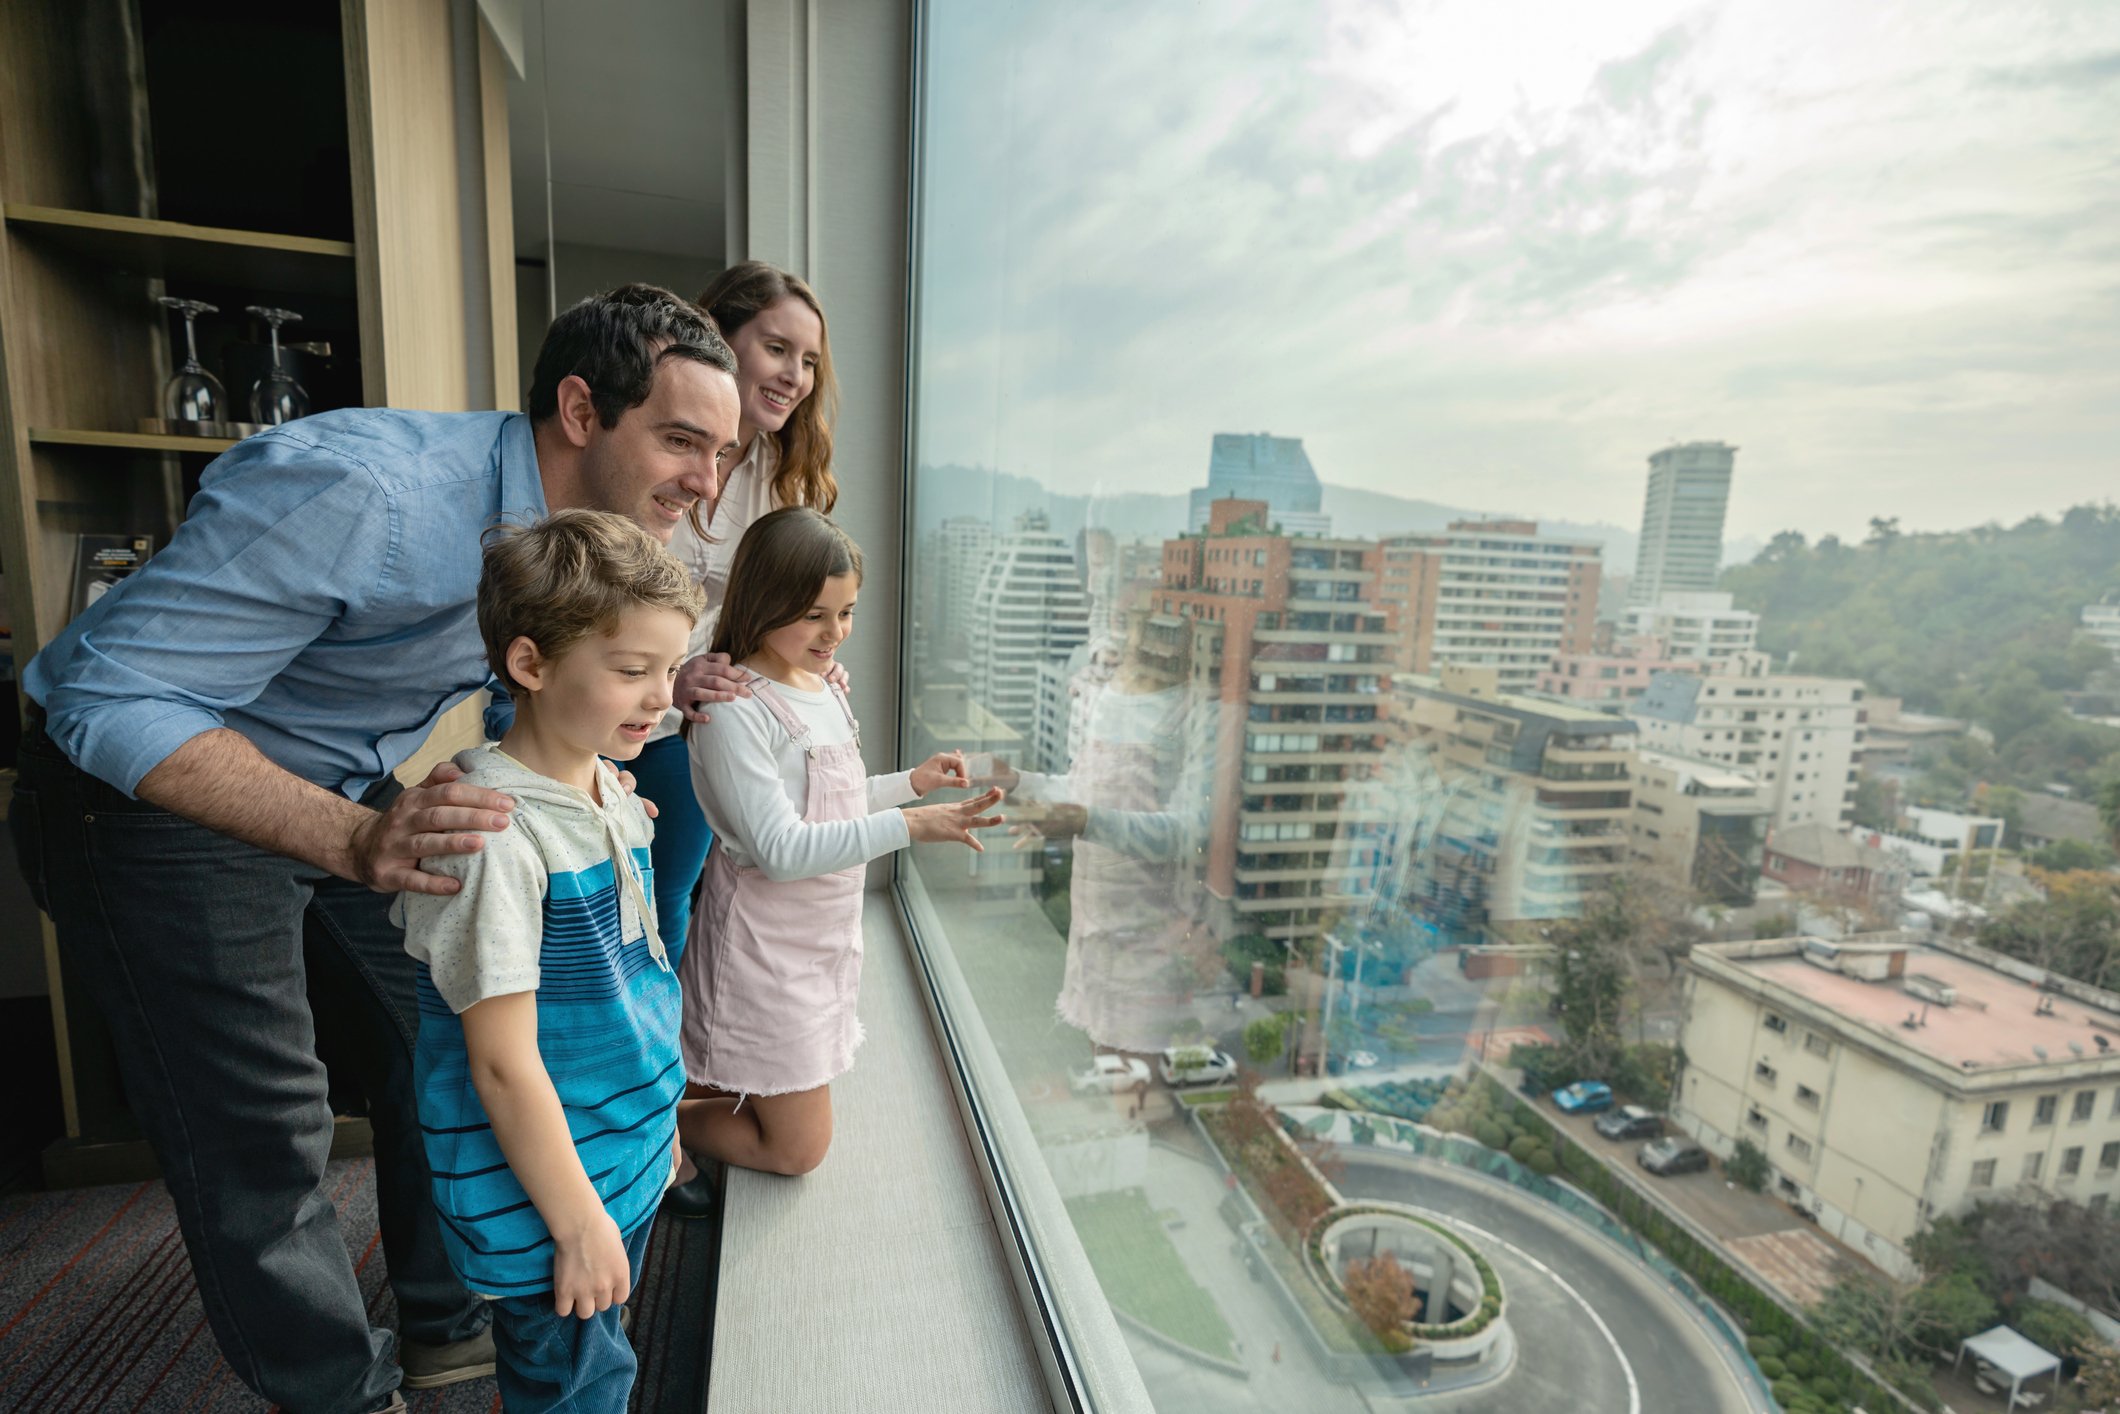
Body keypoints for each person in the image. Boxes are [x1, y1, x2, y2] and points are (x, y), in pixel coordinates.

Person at [7, 285, 740, 1414]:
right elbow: (104, 696)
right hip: (150, 794)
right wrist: (355, 836)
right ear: (582, 410)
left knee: (446, 1026)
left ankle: (452, 1321)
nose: (706, 482)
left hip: (337, 778)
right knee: (267, 1130)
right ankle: (339, 1394)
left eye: (723, 453)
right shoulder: (369, 491)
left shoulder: (562, 555)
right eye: (682, 439)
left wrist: (653, 694)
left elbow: (544, 688)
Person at [399, 510, 700, 1413]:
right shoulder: (493, 839)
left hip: (621, 1149)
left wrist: (659, 1126)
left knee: (597, 1356)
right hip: (544, 1196)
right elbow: (499, 1058)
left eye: (672, 669)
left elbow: (627, 985)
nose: (661, 698)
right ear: (529, 666)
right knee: (576, 1384)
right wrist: (574, 1221)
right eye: (631, 671)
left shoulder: (609, 783)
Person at [676, 508, 1003, 1174]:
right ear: (766, 601)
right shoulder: (736, 708)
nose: (835, 633)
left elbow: (833, 803)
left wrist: (912, 784)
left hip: (818, 945)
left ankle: (650, 1129)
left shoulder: (820, 688)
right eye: (815, 614)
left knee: (726, 1077)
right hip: (764, 955)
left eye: (846, 612)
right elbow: (783, 849)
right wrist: (911, 827)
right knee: (799, 1149)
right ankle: (653, 1142)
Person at [636, 262, 841, 953]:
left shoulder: (786, 477)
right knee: (580, 895)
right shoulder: (647, 437)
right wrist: (664, 678)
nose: (795, 376)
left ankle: (667, 1053)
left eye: (808, 361)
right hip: (609, 689)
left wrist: (812, 668)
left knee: (666, 896)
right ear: (721, 340)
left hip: (692, 718)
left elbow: (778, 613)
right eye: (777, 349)